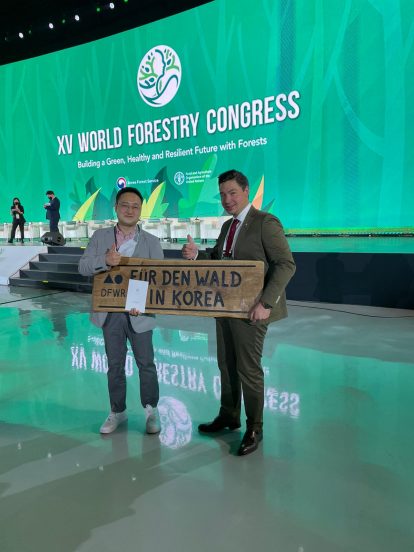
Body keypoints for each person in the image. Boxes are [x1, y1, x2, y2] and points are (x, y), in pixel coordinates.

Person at [182, 169, 296, 456]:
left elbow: (286, 264)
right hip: (226, 307)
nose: (227, 199)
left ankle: (255, 427)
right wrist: (197, 255)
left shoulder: (265, 223)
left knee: (248, 368)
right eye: (222, 194)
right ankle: (229, 415)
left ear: (246, 191)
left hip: (252, 310)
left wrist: (265, 304)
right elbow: (219, 260)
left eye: (232, 192)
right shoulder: (227, 227)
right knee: (226, 364)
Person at [79, 187, 163, 435]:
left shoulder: (151, 242)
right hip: (110, 312)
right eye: (125, 205)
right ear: (116, 208)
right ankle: (117, 411)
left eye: (135, 206)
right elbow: (83, 267)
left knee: (146, 363)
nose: (130, 210)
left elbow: (159, 281)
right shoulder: (100, 237)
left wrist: (145, 303)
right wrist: (104, 260)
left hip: (140, 314)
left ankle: (151, 410)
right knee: (114, 364)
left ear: (141, 210)